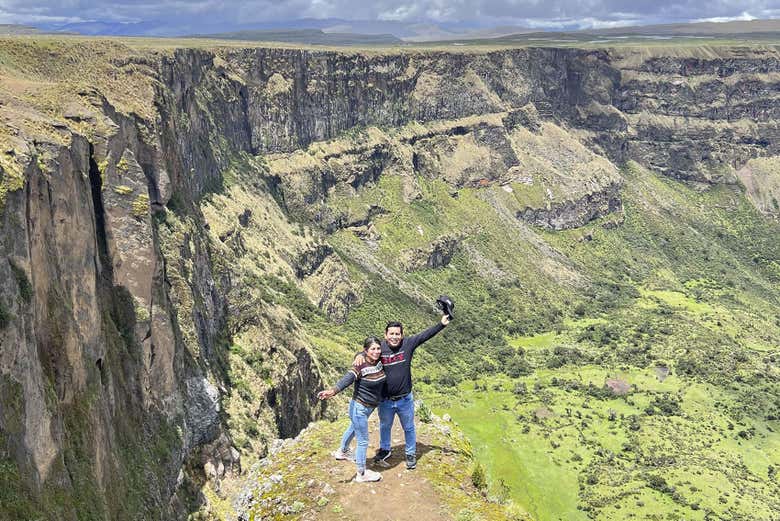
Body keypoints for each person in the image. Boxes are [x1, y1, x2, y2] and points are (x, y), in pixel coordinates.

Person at [355, 306, 452, 470]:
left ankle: (410, 453)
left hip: (405, 399)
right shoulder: (380, 349)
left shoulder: (408, 344)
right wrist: (358, 355)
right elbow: (367, 352)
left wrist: (441, 324)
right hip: (385, 400)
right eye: (391, 334)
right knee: (385, 426)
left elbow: (425, 335)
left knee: (409, 427)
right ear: (385, 335)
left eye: (397, 334)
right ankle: (385, 450)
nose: (394, 337)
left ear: (402, 335)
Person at [317, 336, 386, 483]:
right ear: (365, 350)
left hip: (368, 407)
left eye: (378, 348)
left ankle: (342, 451)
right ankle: (361, 473)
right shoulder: (360, 365)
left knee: (353, 428)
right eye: (372, 349)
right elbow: (348, 378)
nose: (376, 351)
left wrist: (359, 354)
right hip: (359, 407)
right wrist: (333, 391)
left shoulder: (379, 360)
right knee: (363, 441)